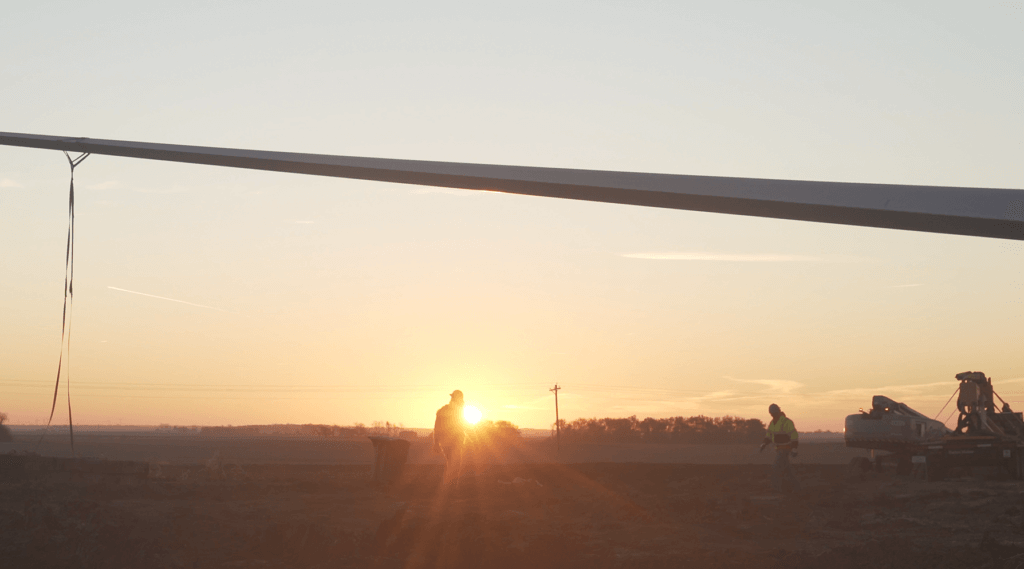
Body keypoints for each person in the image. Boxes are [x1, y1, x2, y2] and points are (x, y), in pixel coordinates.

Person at [760, 403, 800, 493]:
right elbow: (769, 435)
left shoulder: (787, 422)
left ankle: (776, 488)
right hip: (778, 449)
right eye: (771, 413)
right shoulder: (772, 423)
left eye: (773, 412)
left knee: (776, 468)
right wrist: (764, 443)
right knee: (787, 470)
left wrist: (794, 448)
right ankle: (796, 487)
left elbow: (794, 436)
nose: (772, 414)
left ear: (778, 411)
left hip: (785, 449)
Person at [433, 390, 468, 486]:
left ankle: (450, 486)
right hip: (451, 441)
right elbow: (437, 427)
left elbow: (437, 427)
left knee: (453, 463)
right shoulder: (452, 410)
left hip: (450, 441)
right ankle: (450, 486)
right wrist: (436, 443)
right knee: (454, 463)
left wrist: (436, 443)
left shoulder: (447, 410)